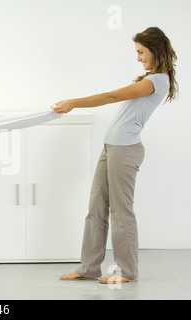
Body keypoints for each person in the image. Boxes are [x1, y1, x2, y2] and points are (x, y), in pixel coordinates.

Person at [53, 27, 178, 284]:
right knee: (96, 208)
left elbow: (113, 96)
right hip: (111, 146)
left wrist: (74, 102)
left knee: (122, 211)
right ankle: (89, 267)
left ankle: (127, 271)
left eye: (141, 52)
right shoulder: (150, 77)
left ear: (155, 50)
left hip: (126, 150)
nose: (138, 58)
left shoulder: (157, 80)